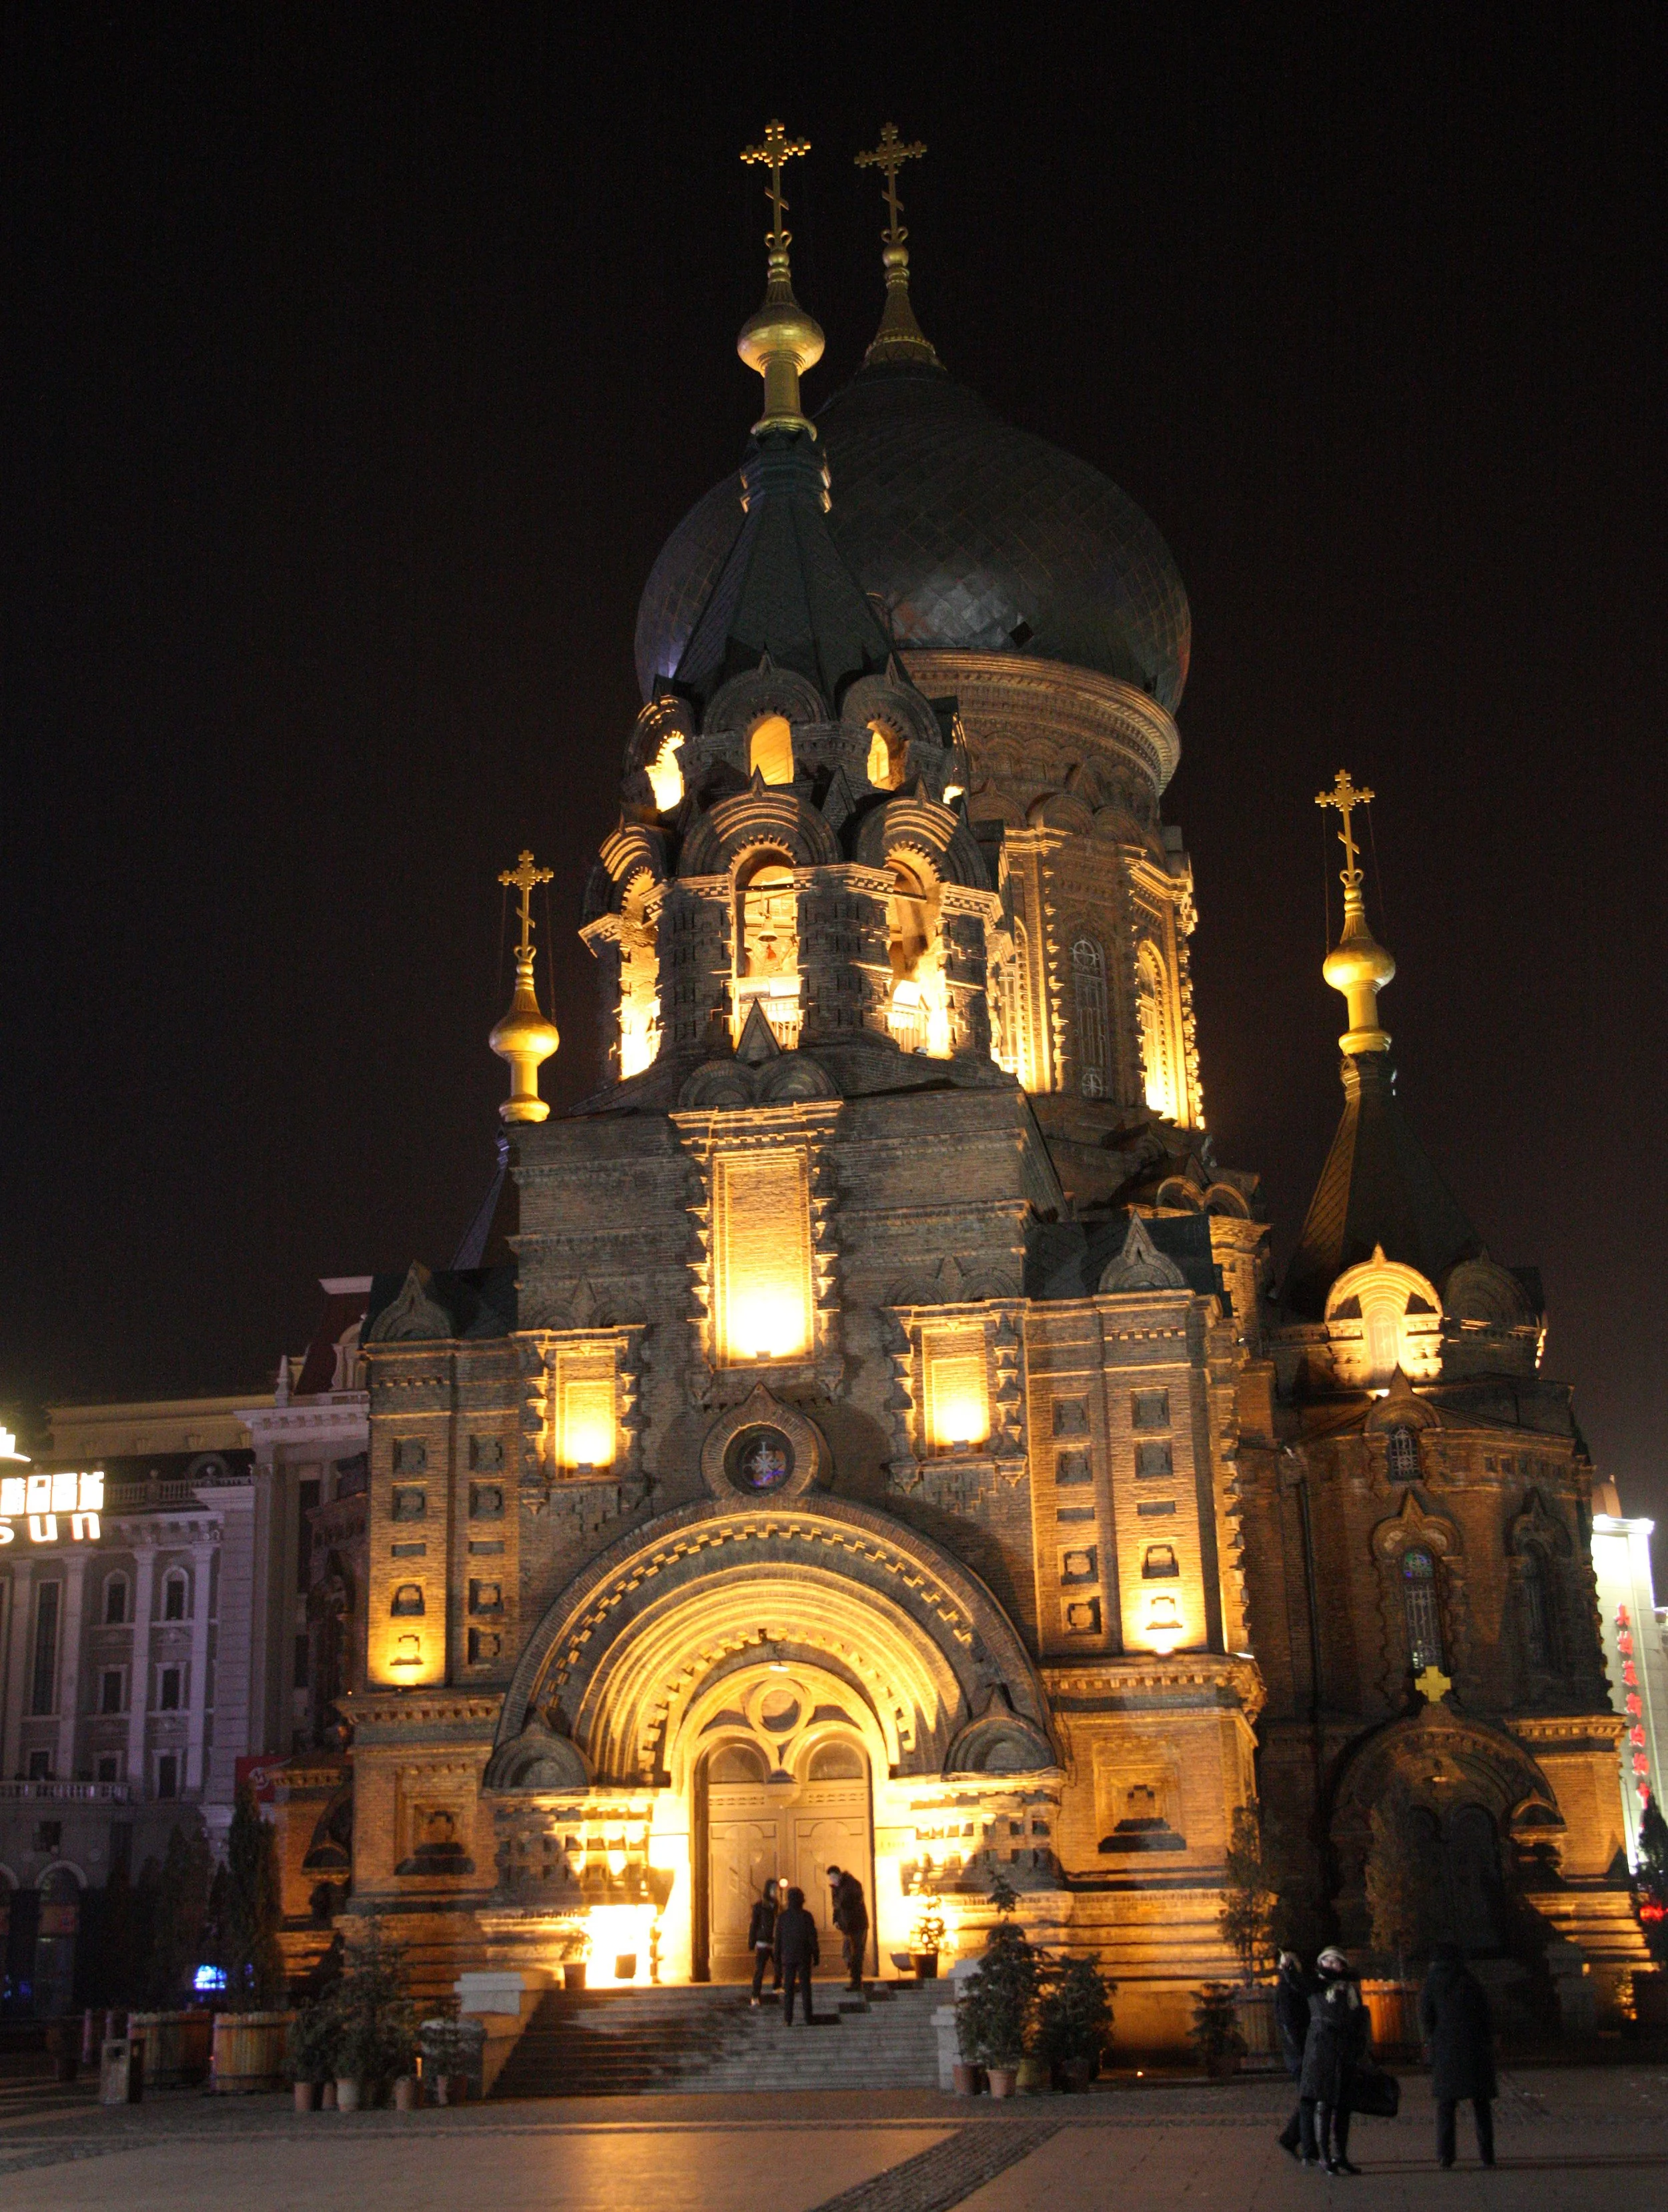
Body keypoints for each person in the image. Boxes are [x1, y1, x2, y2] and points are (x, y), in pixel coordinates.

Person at [1419, 1941, 1497, 2169]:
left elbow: (1426, 2015)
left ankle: (1446, 2155)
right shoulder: (1470, 1980)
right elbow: (1486, 2013)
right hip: (1474, 2049)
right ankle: (1487, 2154)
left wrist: (1432, 2039)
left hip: (1446, 2048)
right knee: (1481, 2104)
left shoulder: (1433, 1982)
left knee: (1446, 2105)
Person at [1299, 1947, 1370, 2174]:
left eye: (1335, 1962)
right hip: (1322, 2053)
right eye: (1326, 1961)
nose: (1331, 1965)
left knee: (1344, 2107)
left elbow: (1360, 2021)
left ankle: (1341, 2156)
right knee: (1324, 2105)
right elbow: (1297, 1985)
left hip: (1345, 2053)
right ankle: (1325, 2156)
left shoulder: (1351, 1992)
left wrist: (1360, 2048)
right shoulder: (1317, 1986)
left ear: (1343, 1966)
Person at [1273, 1951, 1315, 2161]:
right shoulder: (1287, 1989)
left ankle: (1297, 2141)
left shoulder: (1291, 1986)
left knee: (1310, 2098)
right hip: (1299, 2054)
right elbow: (1290, 2025)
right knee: (1309, 2099)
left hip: (1298, 2052)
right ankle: (1297, 2142)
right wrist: (1303, 2051)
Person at [775, 1884, 819, 2024]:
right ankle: (808, 2017)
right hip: (804, 1956)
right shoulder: (806, 1916)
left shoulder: (783, 1917)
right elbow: (812, 1937)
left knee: (789, 1989)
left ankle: (788, 2019)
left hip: (788, 1957)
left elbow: (778, 1939)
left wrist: (777, 1957)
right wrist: (816, 1954)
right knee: (806, 1987)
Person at [826, 1863, 869, 1992]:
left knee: (856, 1952)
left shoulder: (851, 1884)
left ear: (839, 1875)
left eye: (834, 1877)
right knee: (848, 1952)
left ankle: (856, 1980)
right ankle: (854, 1975)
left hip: (857, 1924)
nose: (832, 1880)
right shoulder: (836, 1888)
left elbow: (852, 1901)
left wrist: (842, 1908)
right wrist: (836, 1920)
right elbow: (836, 1907)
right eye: (831, 1878)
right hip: (847, 1925)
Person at [747, 1877, 781, 2006]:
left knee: (778, 1965)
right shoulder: (760, 1906)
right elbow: (754, 1924)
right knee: (760, 1969)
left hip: (774, 1940)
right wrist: (752, 1941)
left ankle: (777, 1987)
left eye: (776, 1889)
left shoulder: (776, 1905)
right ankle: (755, 1995)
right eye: (773, 1889)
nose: (775, 1891)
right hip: (763, 1941)